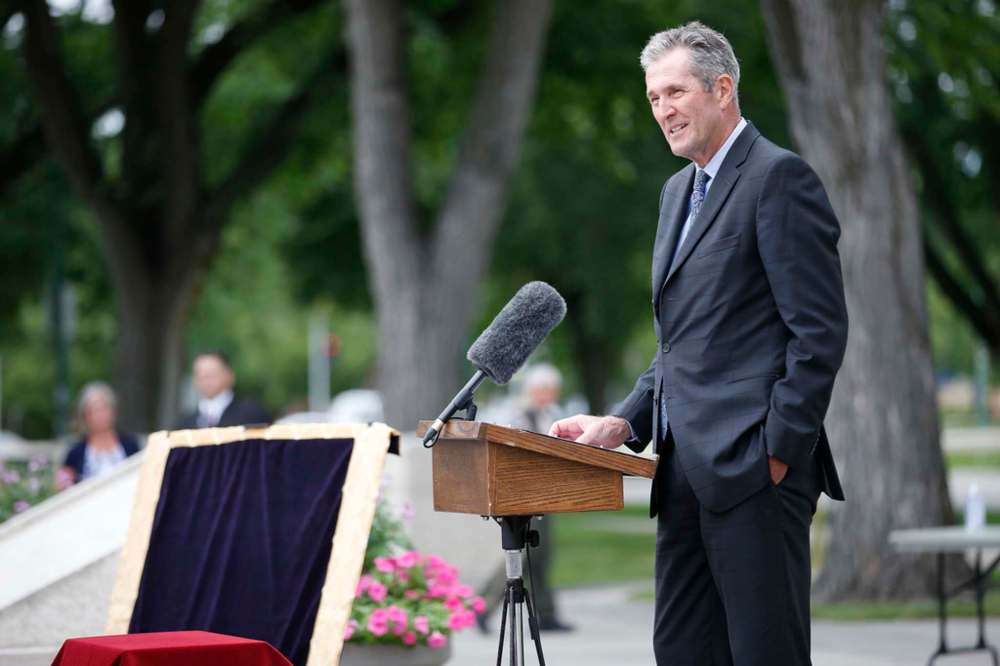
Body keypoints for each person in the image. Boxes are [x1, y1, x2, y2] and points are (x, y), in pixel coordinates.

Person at [549, 22, 847, 666]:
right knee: (681, 652)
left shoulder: (778, 179)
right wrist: (622, 422)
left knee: (765, 655)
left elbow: (818, 333)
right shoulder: (675, 193)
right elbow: (680, 345)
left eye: (675, 92)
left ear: (722, 88)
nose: (663, 110)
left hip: (753, 471)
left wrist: (778, 453)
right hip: (681, 473)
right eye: (654, 98)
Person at [478, 364, 573, 632]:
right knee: (524, 552)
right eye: (544, 389)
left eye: (552, 390)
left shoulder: (551, 414)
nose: (549, 395)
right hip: (523, 494)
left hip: (546, 493)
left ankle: (546, 613)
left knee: (541, 554)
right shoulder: (517, 414)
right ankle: (484, 605)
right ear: (533, 389)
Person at [60, 382, 140, 487]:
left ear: (114, 412)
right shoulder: (75, 453)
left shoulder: (130, 445)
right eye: (94, 411)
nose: (100, 415)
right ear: (85, 416)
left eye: (104, 409)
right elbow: (66, 486)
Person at [176, 351, 271, 429]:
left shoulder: (252, 415)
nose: (204, 379)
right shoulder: (185, 424)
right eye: (199, 374)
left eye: (211, 374)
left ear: (229, 376)